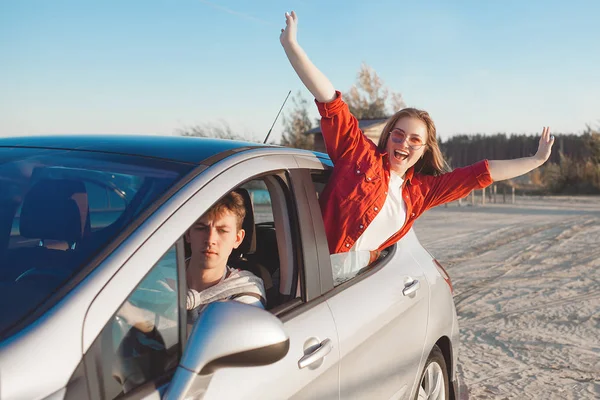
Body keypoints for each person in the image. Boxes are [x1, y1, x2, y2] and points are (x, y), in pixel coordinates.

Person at [279, 11, 555, 282]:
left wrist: (535, 160)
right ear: (387, 137)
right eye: (398, 135)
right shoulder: (358, 155)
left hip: (354, 288)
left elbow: (480, 174)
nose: (403, 144)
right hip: (309, 283)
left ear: (424, 149)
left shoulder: (422, 193)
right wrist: (292, 47)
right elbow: (330, 101)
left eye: (415, 140)